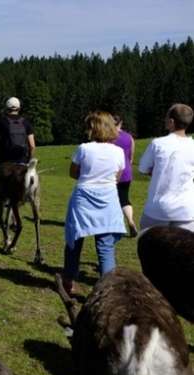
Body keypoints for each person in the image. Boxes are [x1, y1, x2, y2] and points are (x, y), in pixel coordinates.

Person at [61, 111, 126, 294]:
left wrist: (88, 177)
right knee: (105, 246)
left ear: (93, 128)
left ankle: (68, 281)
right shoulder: (119, 152)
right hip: (108, 199)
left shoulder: (83, 149)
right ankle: (108, 289)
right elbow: (117, 177)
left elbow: (73, 172)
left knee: (74, 240)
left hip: (83, 198)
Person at [138, 103, 194, 232]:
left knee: (150, 244)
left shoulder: (157, 144)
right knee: (185, 246)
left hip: (157, 209)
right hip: (186, 211)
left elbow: (143, 169)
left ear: (171, 122)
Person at [112, 115, 138, 237]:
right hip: (126, 171)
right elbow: (131, 157)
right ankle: (131, 221)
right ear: (121, 123)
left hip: (112, 172)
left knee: (112, 199)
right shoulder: (129, 137)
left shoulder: (108, 137)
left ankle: (114, 226)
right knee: (124, 198)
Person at [0, 97, 35, 164]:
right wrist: (29, 159)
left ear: (7, 108)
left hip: (5, 160)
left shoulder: (1, 122)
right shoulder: (26, 122)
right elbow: (32, 146)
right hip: (22, 160)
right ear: (19, 108)